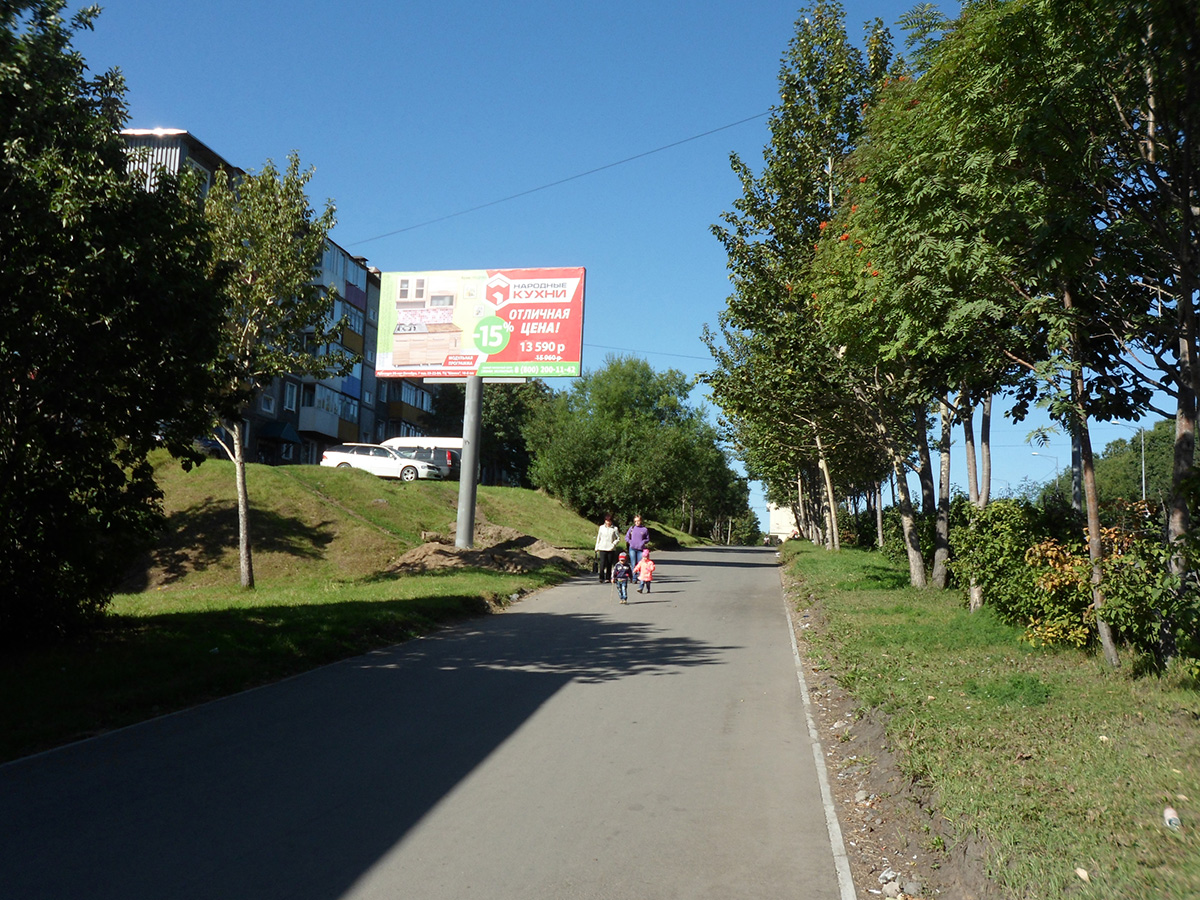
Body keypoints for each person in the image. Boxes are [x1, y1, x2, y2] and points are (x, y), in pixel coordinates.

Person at [594, 513, 621, 584]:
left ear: (611, 521)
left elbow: (618, 538)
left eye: (609, 521)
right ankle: (601, 577)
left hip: (610, 548)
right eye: (606, 520)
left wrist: (614, 544)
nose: (608, 522)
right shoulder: (601, 528)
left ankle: (608, 578)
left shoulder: (615, 529)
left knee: (609, 563)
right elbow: (598, 537)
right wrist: (596, 547)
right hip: (602, 547)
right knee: (602, 563)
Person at [625, 514, 650, 582]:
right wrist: (630, 541)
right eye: (635, 521)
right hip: (632, 548)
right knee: (633, 563)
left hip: (640, 549)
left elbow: (647, 539)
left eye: (638, 521)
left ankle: (641, 576)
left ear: (641, 521)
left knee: (640, 563)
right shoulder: (632, 528)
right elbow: (626, 537)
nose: (637, 522)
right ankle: (634, 578)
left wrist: (643, 542)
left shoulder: (644, 529)